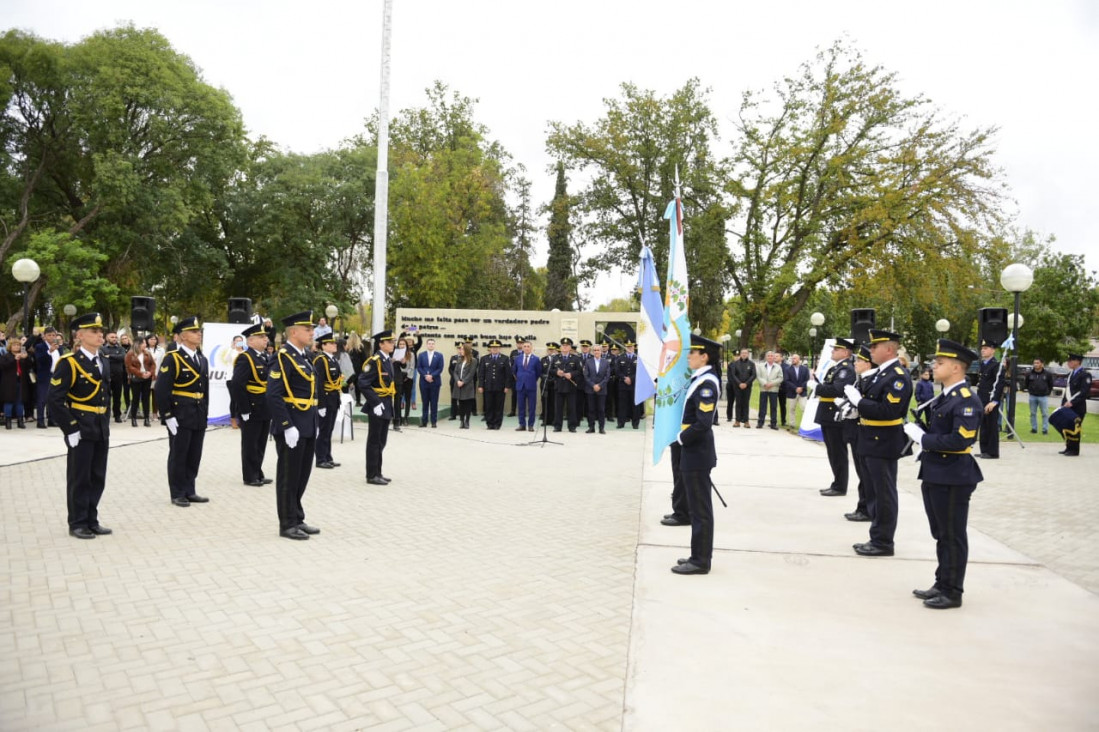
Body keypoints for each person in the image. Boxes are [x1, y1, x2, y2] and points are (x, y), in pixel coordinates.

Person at [903, 339, 984, 609]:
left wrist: (923, 440)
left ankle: (953, 591)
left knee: (952, 534)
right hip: (937, 472)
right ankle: (942, 581)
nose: (933, 366)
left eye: (940, 363)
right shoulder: (946, 396)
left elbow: (960, 441)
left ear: (957, 368)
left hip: (954, 475)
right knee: (941, 533)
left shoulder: (966, 400)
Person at [844, 329, 913, 557]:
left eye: (875, 347)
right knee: (873, 491)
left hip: (883, 441)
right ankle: (876, 536)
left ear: (890, 349)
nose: (870, 350)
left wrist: (859, 402)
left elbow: (888, 410)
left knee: (884, 493)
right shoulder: (879, 374)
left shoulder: (898, 376)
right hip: (869, 437)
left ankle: (884, 541)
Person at [48, 313, 113, 539]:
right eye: (94, 331)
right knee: (80, 477)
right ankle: (77, 522)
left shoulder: (103, 360)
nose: (99, 335)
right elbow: (54, 400)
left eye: (100, 331)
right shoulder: (69, 363)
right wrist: (71, 428)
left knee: (97, 476)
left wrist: (106, 420)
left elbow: (106, 394)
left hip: (100, 426)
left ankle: (91, 519)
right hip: (81, 426)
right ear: (80, 335)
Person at [671, 334, 722, 575]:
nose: (689, 356)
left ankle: (701, 561)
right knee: (695, 508)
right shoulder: (699, 379)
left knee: (700, 510)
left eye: (693, 353)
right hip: (693, 451)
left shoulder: (707, 384)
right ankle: (696, 554)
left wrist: (681, 438)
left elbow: (703, 423)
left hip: (696, 452)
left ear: (705, 357)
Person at [267, 311, 320, 540]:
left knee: (302, 475)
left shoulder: (304, 356)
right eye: (307, 329)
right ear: (294, 331)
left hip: (306, 424)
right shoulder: (283, 357)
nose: (312, 332)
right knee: (288, 476)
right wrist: (287, 425)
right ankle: (287, 524)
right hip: (293, 427)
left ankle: (297, 517)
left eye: (312, 329)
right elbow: (273, 395)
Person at [153, 316, 210, 507]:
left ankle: (190, 489)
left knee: (194, 454)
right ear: (183, 336)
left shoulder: (201, 358)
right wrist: (167, 415)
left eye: (199, 331)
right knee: (179, 454)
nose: (198, 334)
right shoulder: (173, 358)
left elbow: (205, 389)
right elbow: (162, 390)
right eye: (194, 332)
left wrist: (205, 411)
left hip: (198, 412)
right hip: (181, 413)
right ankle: (177, 492)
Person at [231, 323, 273, 486]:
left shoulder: (265, 357)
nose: (265, 340)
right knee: (250, 442)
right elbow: (237, 385)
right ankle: (250, 475)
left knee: (261, 442)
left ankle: (258, 471)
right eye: (261, 337)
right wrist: (244, 409)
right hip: (252, 406)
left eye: (265, 337)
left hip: (264, 405)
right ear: (250, 341)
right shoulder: (245, 358)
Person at [815, 338, 856, 498]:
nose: (832, 351)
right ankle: (837, 483)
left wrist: (818, 387)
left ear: (845, 352)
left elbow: (838, 390)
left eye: (836, 349)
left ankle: (840, 485)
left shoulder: (846, 369)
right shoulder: (837, 367)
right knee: (832, 451)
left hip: (834, 414)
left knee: (837, 451)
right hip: (828, 413)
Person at [843, 345, 875, 523]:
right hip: (856, 429)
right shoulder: (861, 379)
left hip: (864, 431)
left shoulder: (869, 380)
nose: (856, 363)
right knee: (861, 471)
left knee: (866, 474)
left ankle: (866, 508)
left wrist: (857, 403)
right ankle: (863, 506)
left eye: (859, 361)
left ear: (868, 364)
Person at [360, 330, 396, 485]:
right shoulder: (374, 361)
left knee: (382, 441)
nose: (392, 344)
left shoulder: (387, 360)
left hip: (386, 404)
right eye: (389, 342)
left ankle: (378, 472)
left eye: (393, 341)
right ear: (381, 344)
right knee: (374, 441)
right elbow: (363, 383)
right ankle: (371, 474)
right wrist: (375, 402)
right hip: (378, 405)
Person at [312, 332, 343, 470]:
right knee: (324, 430)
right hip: (325, 398)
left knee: (329, 430)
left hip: (333, 398)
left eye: (334, 343)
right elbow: (318, 383)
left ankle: (328, 456)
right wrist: (321, 404)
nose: (334, 345)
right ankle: (320, 458)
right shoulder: (320, 360)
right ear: (323, 346)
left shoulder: (333, 359)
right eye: (331, 343)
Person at [975, 340, 1005, 459]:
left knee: (991, 426)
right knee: (984, 425)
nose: (983, 350)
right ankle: (984, 450)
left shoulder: (996, 365)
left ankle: (992, 452)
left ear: (993, 350)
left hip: (991, 399)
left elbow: (999, 384)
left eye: (986, 348)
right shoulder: (983, 364)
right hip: (982, 398)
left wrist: (994, 401)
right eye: (982, 348)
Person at [1059, 353, 1092, 457]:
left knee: (1075, 428)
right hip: (1068, 406)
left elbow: (1084, 392)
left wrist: (1072, 402)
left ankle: (1074, 450)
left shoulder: (1085, 375)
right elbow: (1067, 391)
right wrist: (1063, 404)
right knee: (1067, 427)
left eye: (1071, 360)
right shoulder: (1071, 374)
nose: (1069, 363)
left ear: (1078, 361)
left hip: (1078, 407)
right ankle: (1069, 447)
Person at [478, 339, 512, 430]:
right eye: (493, 347)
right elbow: (481, 373)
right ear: (490, 348)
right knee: (489, 406)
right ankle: (489, 424)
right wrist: (480, 385)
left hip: (500, 387)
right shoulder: (484, 358)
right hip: (488, 386)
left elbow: (508, 374)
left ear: (499, 348)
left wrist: (507, 386)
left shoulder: (505, 358)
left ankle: (497, 424)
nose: (494, 349)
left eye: (496, 347)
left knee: (498, 406)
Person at [0, 338, 33, 429]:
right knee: (9, 402)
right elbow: (3, 366)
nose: (16, 347)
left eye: (18, 345)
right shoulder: (5, 356)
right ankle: (8, 421)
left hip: (21, 382)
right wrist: (14, 359)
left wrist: (26, 358)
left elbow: (30, 366)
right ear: (10, 347)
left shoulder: (23, 356)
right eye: (14, 345)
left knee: (20, 402)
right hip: (9, 383)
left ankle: (20, 421)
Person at [33, 327, 62, 428]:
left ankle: (52, 419)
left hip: (56, 375)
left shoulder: (59, 347)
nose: (51, 337)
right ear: (44, 337)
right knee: (42, 399)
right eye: (49, 335)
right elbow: (39, 359)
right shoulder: (40, 346)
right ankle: (40, 420)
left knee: (53, 399)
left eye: (53, 335)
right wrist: (49, 351)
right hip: (45, 376)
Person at [552, 337, 582, 433]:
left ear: (570, 347)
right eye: (563, 345)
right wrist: (556, 372)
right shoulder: (555, 358)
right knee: (558, 407)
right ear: (560, 347)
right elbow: (550, 370)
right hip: (559, 386)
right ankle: (557, 426)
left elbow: (580, 372)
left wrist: (571, 374)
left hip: (570, 386)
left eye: (567, 345)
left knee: (571, 408)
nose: (564, 347)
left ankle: (572, 426)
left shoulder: (575, 358)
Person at [124, 335, 155, 427]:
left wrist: (150, 373)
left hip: (147, 378)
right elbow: (129, 367)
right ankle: (133, 419)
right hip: (136, 379)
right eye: (144, 343)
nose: (145, 344)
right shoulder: (130, 354)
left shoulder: (147, 353)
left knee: (146, 398)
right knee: (135, 399)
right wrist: (141, 374)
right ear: (138, 344)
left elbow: (153, 364)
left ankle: (146, 419)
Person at [512, 339, 542, 432]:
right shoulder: (518, 358)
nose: (526, 348)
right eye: (524, 346)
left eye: (528, 346)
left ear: (531, 348)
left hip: (531, 386)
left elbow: (538, 372)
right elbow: (514, 370)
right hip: (520, 386)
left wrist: (532, 379)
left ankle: (531, 425)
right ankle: (522, 424)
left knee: (532, 407)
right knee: (521, 406)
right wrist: (520, 379)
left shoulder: (536, 359)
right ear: (522, 348)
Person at [99, 330, 128, 424]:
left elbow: (122, 357)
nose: (114, 339)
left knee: (117, 397)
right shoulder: (103, 348)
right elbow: (102, 357)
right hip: (106, 376)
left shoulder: (121, 348)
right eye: (112, 337)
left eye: (115, 337)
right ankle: (106, 415)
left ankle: (117, 415)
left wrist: (109, 356)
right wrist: (114, 356)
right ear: (107, 338)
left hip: (118, 376)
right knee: (106, 397)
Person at [614, 341, 643, 429]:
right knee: (622, 405)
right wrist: (624, 378)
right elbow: (617, 370)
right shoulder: (620, 358)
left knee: (635, 405)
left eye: (631, 346)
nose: (629, 348)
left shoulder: (638, 358)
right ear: (625, 347)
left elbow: (641, 371)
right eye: (627, 346)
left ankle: (635, 423)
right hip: (623, 385)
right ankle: (621, 423)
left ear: (634, 347)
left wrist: (631, 378)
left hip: (634, 385)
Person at [583, 343, 611, 434]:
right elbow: (586, 376)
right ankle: (591, 427)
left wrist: (599, 385)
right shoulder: (588, 361)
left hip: (602, 390)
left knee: (601, 410)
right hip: (590, 389)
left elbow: (607, 376)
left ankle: (601, 428)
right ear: (592, 351)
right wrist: (593, 385)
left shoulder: (606, 362)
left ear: (601, 351)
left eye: (598, 350)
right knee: (591, 409)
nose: (596, 352)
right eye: (594, 350)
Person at [416, 338, 444, 427]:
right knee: (425, 402)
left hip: (435, 382)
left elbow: (440, 368)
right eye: (429, 343)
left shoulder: (439, 355)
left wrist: (432, 376)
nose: (431, 345)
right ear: (427, 345)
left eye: (432, 344)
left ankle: (433, 422)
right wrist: (426, 376)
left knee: (434, 402)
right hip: (424, 382)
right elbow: (419, 367)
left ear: (434, 345)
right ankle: (424, 421)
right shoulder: (421, 355)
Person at [1025, 358, 1054, 434]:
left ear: (1042, 364)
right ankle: (1034, 428)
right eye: (1034, 363)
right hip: (1032, 396)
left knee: (1044, 413)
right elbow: (1026, 383)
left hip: (1043, 396)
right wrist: (1030, 390)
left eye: (1037, 363)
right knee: (1033, 413)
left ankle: (1045, 429)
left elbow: (1051, 384)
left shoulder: (1047, 374)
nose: (1035, 364)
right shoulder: (1029, 373)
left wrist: (1047, 392)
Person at [728, 348, 756, 427]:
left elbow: (753, 375)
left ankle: (746, 421)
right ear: (740, 354)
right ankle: (737, 421)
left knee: (746, 403)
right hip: (737, 387)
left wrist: (746, 383)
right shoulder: (735, 363)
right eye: (742, 353)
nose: (744, 354)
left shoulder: (751, 364)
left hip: (747, 387)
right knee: (738, 403)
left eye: (745, 353)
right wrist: (739, 383)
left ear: (748, 354)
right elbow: (733, 375)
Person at [453, 342, 478, 428]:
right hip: (458, 385)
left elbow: (471, 374)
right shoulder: (460, 360)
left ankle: (467, 421)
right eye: (460, 349)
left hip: (467, 385)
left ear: (466, 350)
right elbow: (455, 372)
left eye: (462, 349)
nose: (461, 351)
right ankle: (461, 421)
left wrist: (463, 381)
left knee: (467, 404)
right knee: (461, 404)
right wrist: (457, 381)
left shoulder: (473, 360)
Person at [757, 351, 783, 430]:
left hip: (773, 389)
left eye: (772, 356)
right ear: (766, 357)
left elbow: (780, 378)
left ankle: (773, 424)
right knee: (762, 406)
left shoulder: (778, 367)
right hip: (764, 389)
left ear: (774, 357)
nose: (770, 357)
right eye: (768, 356)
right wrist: (765, 384)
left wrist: (771, 383)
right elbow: (758, 376)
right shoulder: (761, 366)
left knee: (773, 407)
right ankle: (760, 423)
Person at [784, 353, 809, 426]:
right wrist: (795, 388)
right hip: (792, 392)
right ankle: (792, 424)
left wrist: (802, 387)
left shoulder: (805, 369)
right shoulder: (787, 369)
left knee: (804, 408)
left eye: (794, 358)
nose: (793, 360)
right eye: (792, 358)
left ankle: (805, 425)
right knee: (791, 409)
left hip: (802, 392)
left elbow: (807, 380)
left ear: (799, 360)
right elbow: (787, 380)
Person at [540, 342, 558, 427]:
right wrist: (544, 377)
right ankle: (545, 420)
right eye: (549, 349)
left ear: (555, 350)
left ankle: (554, 420)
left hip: (554, 384)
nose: (551, 351)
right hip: (545, 384)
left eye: (552, 349)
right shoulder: (543, 360)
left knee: (554, 403)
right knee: (545, 402)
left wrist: (553, 379)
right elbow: (540, 372)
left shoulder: (558, 359)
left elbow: (559, 371)